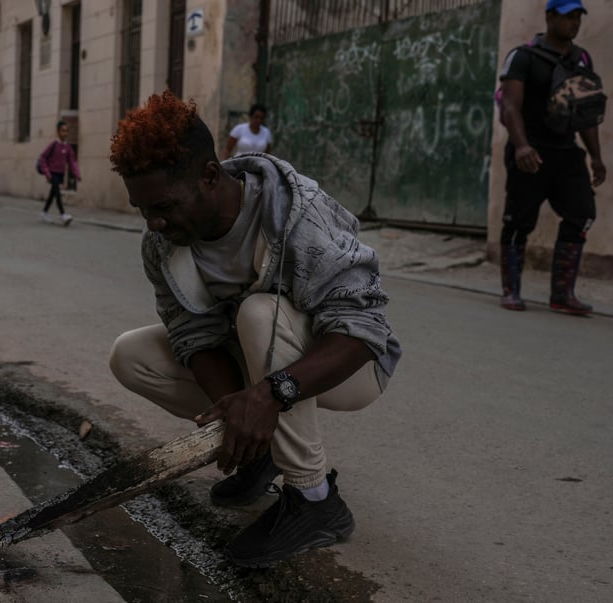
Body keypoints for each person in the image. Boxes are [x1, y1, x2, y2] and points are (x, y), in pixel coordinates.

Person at [107, 91, 401, 568]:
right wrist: (241, 414)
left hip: (349, 368)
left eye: (162, 206)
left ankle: (314, 499)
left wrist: (268, 396)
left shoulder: (297, 214)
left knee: (259, 312)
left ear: (208, 176)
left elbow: (363, 329)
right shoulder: (162, 243)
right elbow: (191, 334)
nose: (155, 222)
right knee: (129, 355)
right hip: (263, 369)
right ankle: (261, 450)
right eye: (143, 210)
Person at [497, 0, 604, 315]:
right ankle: (511, 291)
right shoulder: (523, 57)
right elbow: (510, 106)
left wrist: (596, 158)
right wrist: (521, 147)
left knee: (582, 213)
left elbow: (586, 113)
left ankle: (562, 294)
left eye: (577, 17)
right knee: (518, 222)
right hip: (530, 151)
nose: (574, 23)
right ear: (549, 17)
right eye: (567, 16)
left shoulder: (582, 59)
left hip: (567, 153)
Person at [38, 120, 82, 226]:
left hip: (60, 174)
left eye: (67, 131)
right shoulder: (53, 145)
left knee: (52, 194)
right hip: (52, 174)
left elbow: (72, 162)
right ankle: (63, 215)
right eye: (63, 131)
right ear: (58, 132)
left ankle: (44, 213)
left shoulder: (68, 147)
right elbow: (43, 157)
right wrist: (47, 173)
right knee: (57, 194)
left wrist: (77, 174)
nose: (65, 133)